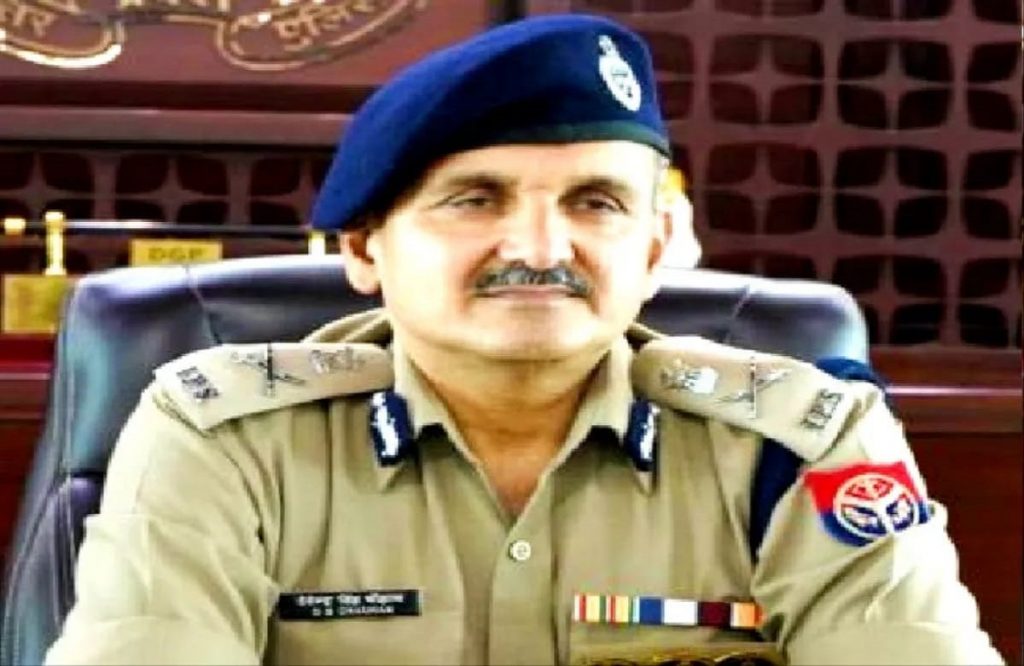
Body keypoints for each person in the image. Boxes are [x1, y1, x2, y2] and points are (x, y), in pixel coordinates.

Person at [45, 13, 1001, 666]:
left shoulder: (802, 442)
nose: (541, 250)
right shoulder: (224, 437)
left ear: (655, 248)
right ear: (364, 248)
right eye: (475, 199)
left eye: (596, 202)